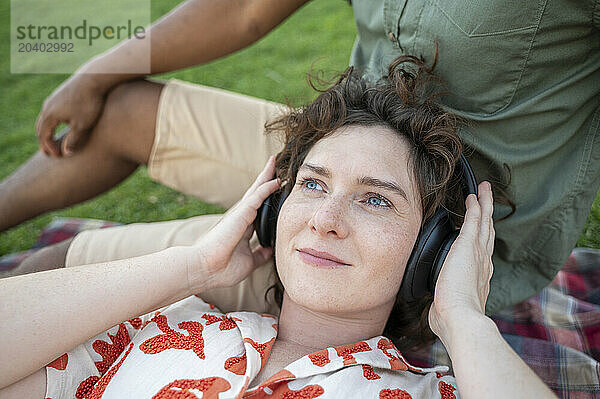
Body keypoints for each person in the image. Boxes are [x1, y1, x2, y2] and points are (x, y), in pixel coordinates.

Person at [0, 59, 557, 399]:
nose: (323, 220)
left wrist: (462, 318)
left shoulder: (430, 391)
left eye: (375, 200)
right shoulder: (158, 331)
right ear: (272, 209)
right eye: (313, 184)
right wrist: (194, 264)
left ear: (430, 255)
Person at [1, 0, 598, 315]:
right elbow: (243, 9)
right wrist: (100, 66)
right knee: (121, 107)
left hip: (437, 234)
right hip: (335, 153)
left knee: (49, 275)